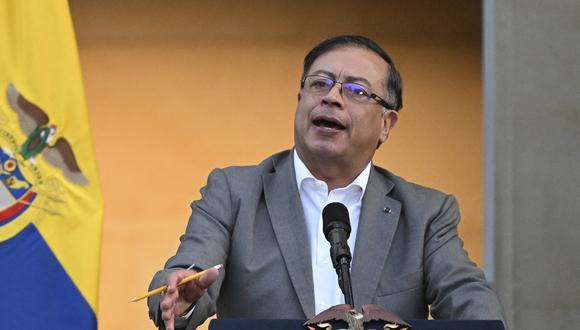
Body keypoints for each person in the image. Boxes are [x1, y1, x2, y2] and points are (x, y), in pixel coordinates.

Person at [147, 35, 504, 330]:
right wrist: (180, 298)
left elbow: (468, 297)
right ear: (300, 100)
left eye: (356, 91)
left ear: (386, 125)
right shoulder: (233, 191)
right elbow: (191, 269)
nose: (331, 97)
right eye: (320, 83)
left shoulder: (426, 214)